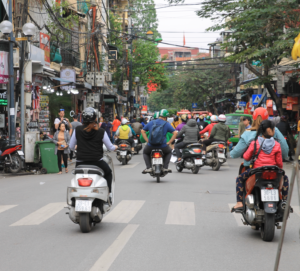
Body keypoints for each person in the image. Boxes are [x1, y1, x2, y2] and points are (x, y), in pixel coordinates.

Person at [231, 120, 289, 212]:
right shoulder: (277, 144)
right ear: (271, 131)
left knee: (239, 179)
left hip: (257, 172)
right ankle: (285, 201)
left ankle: (239, 203)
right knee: (285, 178)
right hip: (274, 172)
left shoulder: (255, 143)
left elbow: (246, 157)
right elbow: (279, 163)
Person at [69, 107, 117, 193]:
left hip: (80, 163)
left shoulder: (77, 130)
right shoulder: (101, 131)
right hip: (97, 163)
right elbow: (110, 148)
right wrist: (115, 147)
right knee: (108, 173)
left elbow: (71, 147)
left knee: (76, 179)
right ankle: (109, 194)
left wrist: (76, 147)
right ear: (96, 118)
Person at [141, 109, 177, 173]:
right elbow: (175, 133)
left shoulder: (151, 122)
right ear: (166, 117)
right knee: (169, 152)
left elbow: (142, 131)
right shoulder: (166, 124)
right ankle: (165, 167)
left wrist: (147, 140)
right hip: (163, 146)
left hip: (151, 145)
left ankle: (148, 167)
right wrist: (169, 142)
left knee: (145, 152)